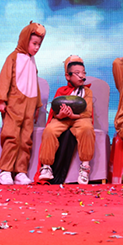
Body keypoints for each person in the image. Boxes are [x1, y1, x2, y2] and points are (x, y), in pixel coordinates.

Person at [0, 21, 46, 185]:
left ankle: (20, 171)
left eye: (39, 45)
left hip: (29, 106)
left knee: (25, 139)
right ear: (25, 40)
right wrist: (2, 100)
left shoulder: (32, 61)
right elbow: (4, 79)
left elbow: (34, 83)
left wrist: (37, 105)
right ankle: (6, 170)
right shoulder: (13, 57)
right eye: (34, 43)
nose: (36, 48)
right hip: (14, 104)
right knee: (11, 136)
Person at [38, 55, 94, 185]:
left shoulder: (87, 92)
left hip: (79, 118)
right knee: (50, 130)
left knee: (87, 129)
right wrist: (61, 115)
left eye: (83, 73)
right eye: (77, 73)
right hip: (62, 119)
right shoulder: (61, 91)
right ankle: (46, 166)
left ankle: (85, 166)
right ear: (68, 76)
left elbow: (87, 112)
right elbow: (55, 111)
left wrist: (74, 116)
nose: (82, 76)